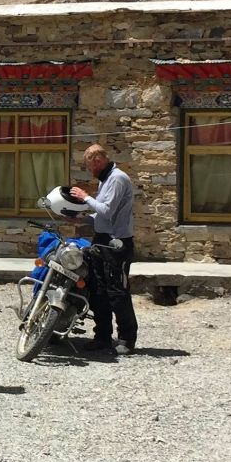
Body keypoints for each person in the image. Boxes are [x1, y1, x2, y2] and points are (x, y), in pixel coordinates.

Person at [66, 142, 138, 356]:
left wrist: (84, 197)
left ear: (98, 160)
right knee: (99, 291)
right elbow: (102, 216)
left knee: (118, 292)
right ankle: (102, 336)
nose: (91, 171)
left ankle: (126, 338)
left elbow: (107, 210)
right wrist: (81, 221)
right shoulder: (106, 179)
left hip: (117, 244)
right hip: (101, 241)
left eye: (91, 167)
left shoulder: (117, 178)